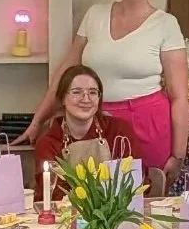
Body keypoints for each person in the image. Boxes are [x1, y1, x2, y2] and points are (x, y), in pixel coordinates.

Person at [18, 0, 189, 191]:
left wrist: (179, 154)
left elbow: (179, 95)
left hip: (148, 122)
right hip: (95, 121)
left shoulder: (166, 24)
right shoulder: (95, 15)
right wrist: (38, 120)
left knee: (142, 195)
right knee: (87, 195)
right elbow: (67, 72)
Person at [31, 65, 139, 193]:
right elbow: (53, 193)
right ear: (62, 98)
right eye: (77, 92)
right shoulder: (48, 143)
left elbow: (135, 182)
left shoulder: (119, 131)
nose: (86, 99)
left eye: (93, 92)